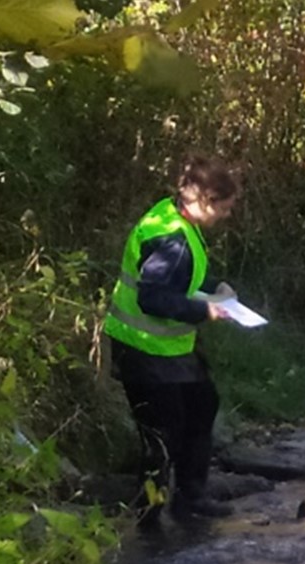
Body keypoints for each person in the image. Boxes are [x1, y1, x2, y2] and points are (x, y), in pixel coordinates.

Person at [103, 155, 240, 526]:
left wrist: (215, 287)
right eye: (224, 208)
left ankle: (190, 498)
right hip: (144, 351)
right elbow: (153, 298)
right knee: (162, 435)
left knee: (202, 405)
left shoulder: (175, 217)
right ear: (206, 200)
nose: (226, 215)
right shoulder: (172, 239)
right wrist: (205, 311)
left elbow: (183, 277)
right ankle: (149, 517)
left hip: (169, 350)